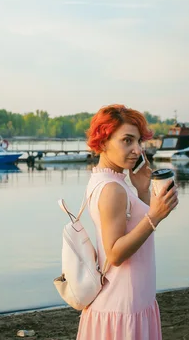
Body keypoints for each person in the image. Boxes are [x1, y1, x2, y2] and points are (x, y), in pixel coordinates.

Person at [77, 104, 179, 340]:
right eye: (127, 141)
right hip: (122, 306)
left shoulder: (111, 180)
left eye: (138, 141)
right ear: (103, 142)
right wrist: (155, 215)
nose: (137, 149)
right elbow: (114, 253)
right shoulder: (112, 188)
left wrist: (143, 191)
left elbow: (133, 229)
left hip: (132, 300)